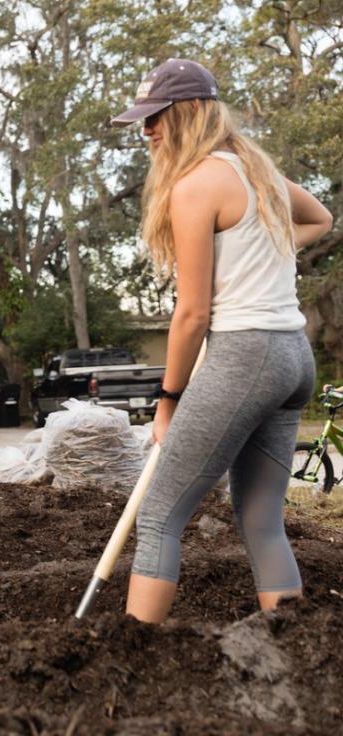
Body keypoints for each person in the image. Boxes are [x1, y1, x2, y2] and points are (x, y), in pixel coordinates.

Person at [110, 59, 334, 623]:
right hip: (293, 358)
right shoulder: (256, 172)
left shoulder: (195, 184)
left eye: (155, 118)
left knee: (160, 514)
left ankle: (129, 652)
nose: (146, 131)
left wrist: (169, 402)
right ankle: (296, 651)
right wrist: (267, 253)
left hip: (246, 355)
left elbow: (191, 315)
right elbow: (321, 219)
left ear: (185, 112)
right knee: (261, 519)